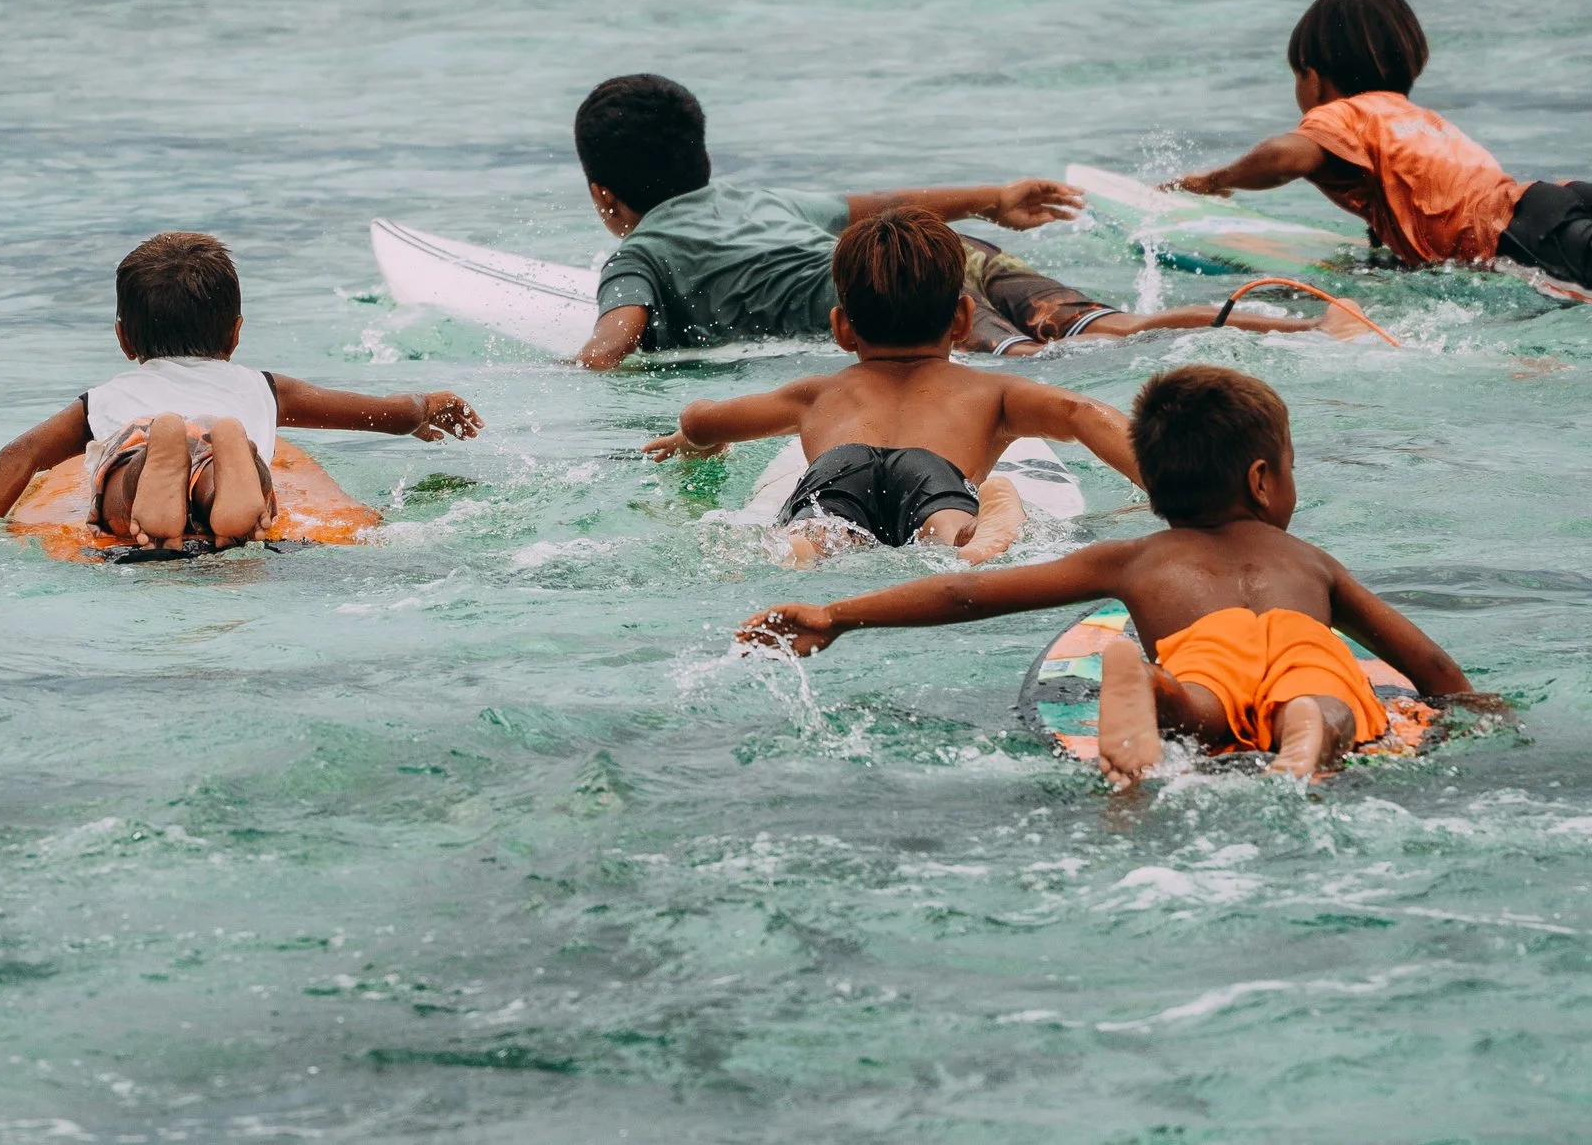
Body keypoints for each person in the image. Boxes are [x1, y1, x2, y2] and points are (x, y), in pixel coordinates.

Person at [739, 364, 1473, 786]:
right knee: (1323, 696)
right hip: (1304, 653)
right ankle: (1308, 728)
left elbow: (967, 592)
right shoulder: (1310, 562)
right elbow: (1431, 667)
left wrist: (839, 614)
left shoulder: (1135, 560)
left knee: (1202, 708)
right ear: (1261, 480)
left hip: (1205, 661)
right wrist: (1479, 711)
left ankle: (1156, 691)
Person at [570, 73, 1353, 369]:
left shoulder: (639, 256)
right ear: (704, 157)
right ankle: (1309, 325)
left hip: (897, 295)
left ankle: (1307, 332)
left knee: (1033, 362)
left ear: (605, 195)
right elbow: (878, 207)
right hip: (947, 251)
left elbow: (615, 340)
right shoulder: (757, 199)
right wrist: (991, 198)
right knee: (1113, 327)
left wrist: (574, 373)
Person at [644, 208, 1146, 566]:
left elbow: (703, 420)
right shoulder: (994, 394)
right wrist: (1161, 483)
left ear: (841, 328)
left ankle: (800, 547)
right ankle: (978, 525)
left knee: (818, 534)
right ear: (963, 318)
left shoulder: (817, 394)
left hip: (837, 469)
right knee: (946, 530)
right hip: (935, 475)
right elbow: (1083, 414)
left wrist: (694, 438)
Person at [0, 232, 482, 549]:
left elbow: (21, 453)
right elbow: (376, 414)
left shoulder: (102, 398)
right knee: (234, 472)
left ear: (124, 338)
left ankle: (151, 467)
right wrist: (421, 409)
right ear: (235, 334)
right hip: (231, 447)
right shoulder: (263, 388)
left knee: (122, 483)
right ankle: (229, 473)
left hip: (138, 438)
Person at [1167, 0, 1592, 302]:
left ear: (1313, 79)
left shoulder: (1341, 116)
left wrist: (1214, 181)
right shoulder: (1413, 117)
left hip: (1518, 236)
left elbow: (1284, 157)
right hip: (1558, 200)